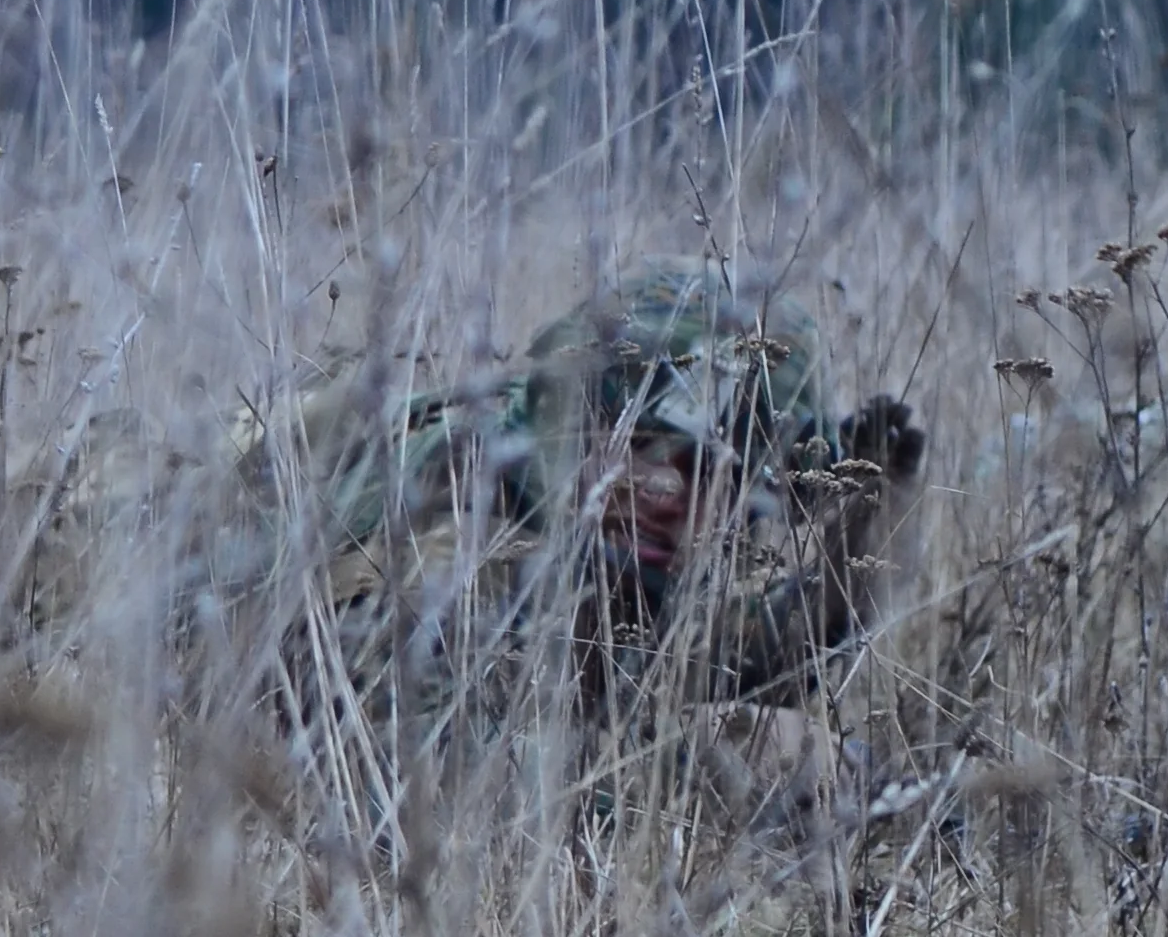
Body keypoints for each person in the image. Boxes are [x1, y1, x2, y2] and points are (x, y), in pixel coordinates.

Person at [246, 259, 924, 711]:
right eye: (634, 445)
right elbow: (446, 783)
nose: (660, 488)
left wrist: (868, 527)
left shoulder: (600, 552)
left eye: (708, 471)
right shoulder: (454, 531)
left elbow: (741, 655)